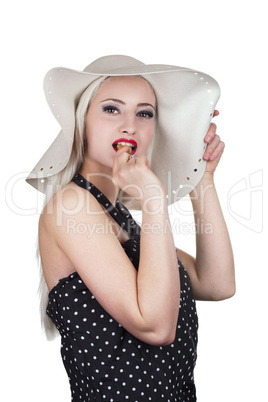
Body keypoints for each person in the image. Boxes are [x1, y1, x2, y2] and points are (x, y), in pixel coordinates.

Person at [27, 55, 235, 401]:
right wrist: (154, 198)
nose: (130, 126)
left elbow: (216, 283)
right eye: (112, 109)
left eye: (144, 113)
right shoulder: (71, 206)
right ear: (82, 123)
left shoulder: (121, 219)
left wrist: (201, 178)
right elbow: (155, 326)